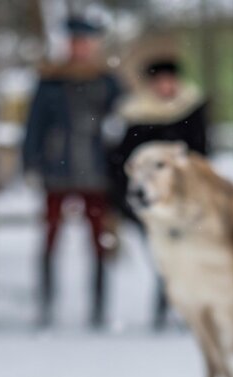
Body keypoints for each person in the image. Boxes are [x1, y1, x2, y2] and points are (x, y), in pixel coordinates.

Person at [23, 16, 123, 328]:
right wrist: (30, 162)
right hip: (58, 167)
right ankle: (46, 301)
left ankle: (98, 306)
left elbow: (124, 120)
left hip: (97, 169)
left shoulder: (109, 81)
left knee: (100, 240)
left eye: (86, 42)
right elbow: (34, 125)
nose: (80, 48)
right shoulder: (50, 79)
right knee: (51, 236)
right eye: (76, 41)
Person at [110, 56, 209, 329]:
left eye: (169, 81)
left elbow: (199, 155)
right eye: (159, 82)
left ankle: (185, 308)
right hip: (149, 205)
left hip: (184, 201)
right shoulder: (136, 112)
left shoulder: (190, 109)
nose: (165, 87)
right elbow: (121, 161)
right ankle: (163, 307)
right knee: (161, 258)